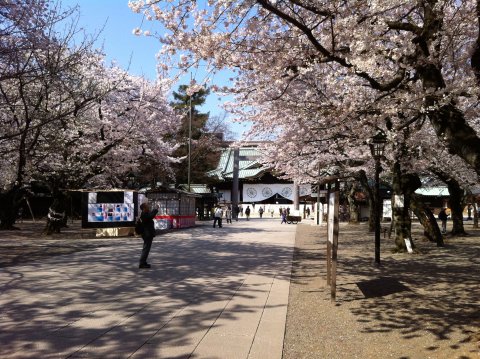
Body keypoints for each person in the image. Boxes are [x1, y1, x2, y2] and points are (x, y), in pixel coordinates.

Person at [139, 202, 158, 269]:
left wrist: (155, 209)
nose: (149, 207)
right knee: (146, 249)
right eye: (147, 206)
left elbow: (150, 215)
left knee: (146, 248)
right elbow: (151, 216)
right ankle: (142, 263)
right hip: (147, 234)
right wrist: (155, 209)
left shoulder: (145, 213)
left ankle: (143, 262)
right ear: (144, 208)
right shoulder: (144, 214)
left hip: (148, 234)